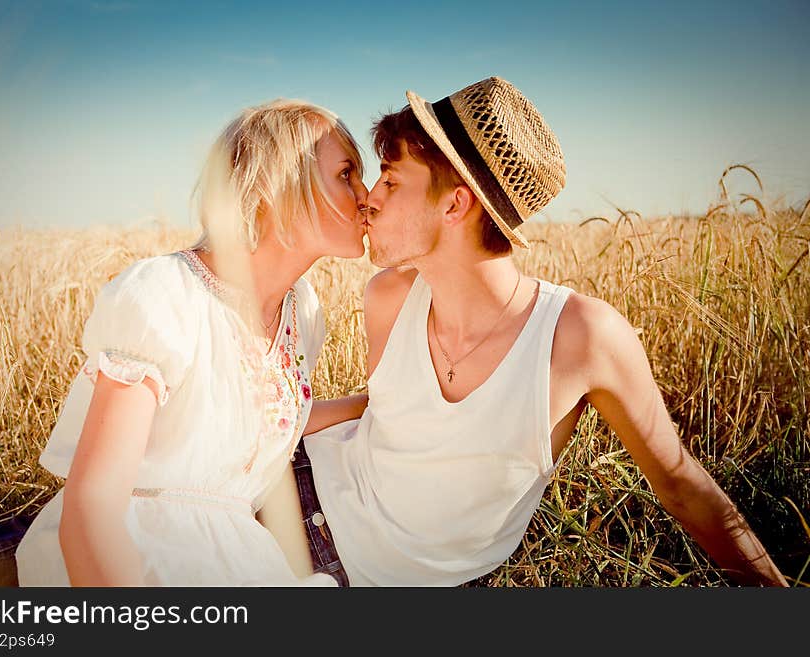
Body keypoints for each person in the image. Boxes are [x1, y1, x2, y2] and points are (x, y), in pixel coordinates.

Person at [291, 76, 788, 587]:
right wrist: (270, 425)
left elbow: (681, 484)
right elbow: (383, 414)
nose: (368, 199)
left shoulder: (580, 337)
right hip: (300, 501)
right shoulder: (388, 299)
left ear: (455, 205)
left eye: (391, 181)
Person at [0, 98, 370, 587]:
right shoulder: (165, 295)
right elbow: (92, 511)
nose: (367, 195)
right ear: (274, 191)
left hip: (241, 563)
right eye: (346, 174)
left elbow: (260, 417)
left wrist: (370, 404)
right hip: (135, 555)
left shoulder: (304, 312)